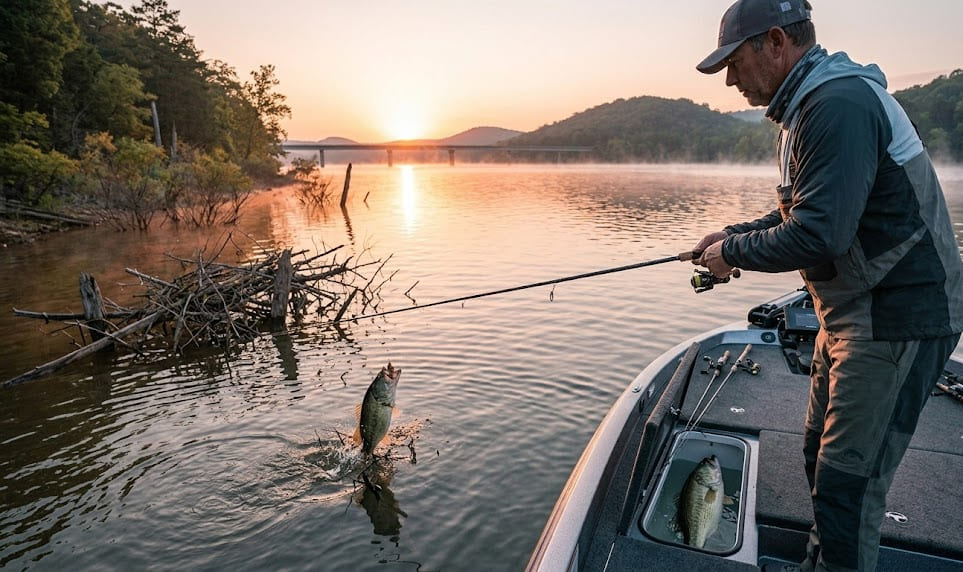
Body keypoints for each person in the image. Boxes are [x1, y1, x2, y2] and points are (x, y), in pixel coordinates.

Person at [691, 0, 963, 570]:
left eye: (734, 63)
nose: (731, 80)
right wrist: (732, 234)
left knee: (847, 487)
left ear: (775, 42)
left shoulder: (837, 104)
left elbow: (820, 236)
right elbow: (803, 214)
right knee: (820, 456)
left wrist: (731, 253)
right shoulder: (808, 107)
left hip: (896, 316)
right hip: (849, 314)